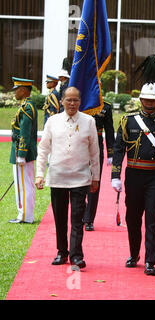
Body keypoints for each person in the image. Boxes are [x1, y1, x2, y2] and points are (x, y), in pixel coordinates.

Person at [111, 83, 155, 276]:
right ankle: (134, 254)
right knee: (132, 218)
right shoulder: (128, 120)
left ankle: (150, 260)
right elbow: (118, 149)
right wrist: (115, 175)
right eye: (147, 100)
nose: (150, 104)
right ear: (141, 100)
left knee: (151, 219)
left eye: (154, 100)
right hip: (133, 175)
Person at [35, 87, 100, 270]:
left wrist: (96, 177)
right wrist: (40, 174)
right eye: (68, 100)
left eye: (75, 100)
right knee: (60, 218)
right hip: (58, 177)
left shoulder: (89, 122)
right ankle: (62, 252)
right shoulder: (52, 122)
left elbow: (95, 152)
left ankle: (76, 256)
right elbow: (44, 149)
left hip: (81, 178)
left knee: (77, 219)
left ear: (80, 101)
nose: (72, 104)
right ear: (62, 101)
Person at [8, 77, 38, 224]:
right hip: (21, 151)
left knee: (24, 185)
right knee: (24, 184)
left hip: (23, 153)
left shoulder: (27, 107)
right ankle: (24, 214)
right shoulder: (26, 105)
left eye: (17, 89)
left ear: (24, 90)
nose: (15, 92)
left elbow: (25, 132)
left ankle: (25, 216)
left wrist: (21, 154)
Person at [83, 101, 115, 231]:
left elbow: (109, 129)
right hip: (79, 147)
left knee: (94, 182)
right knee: (77, 182)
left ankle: (89, 219)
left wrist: (111, 152)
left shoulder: (105, 106)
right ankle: (82, 212)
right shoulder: (80, 101)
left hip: (96, 147)